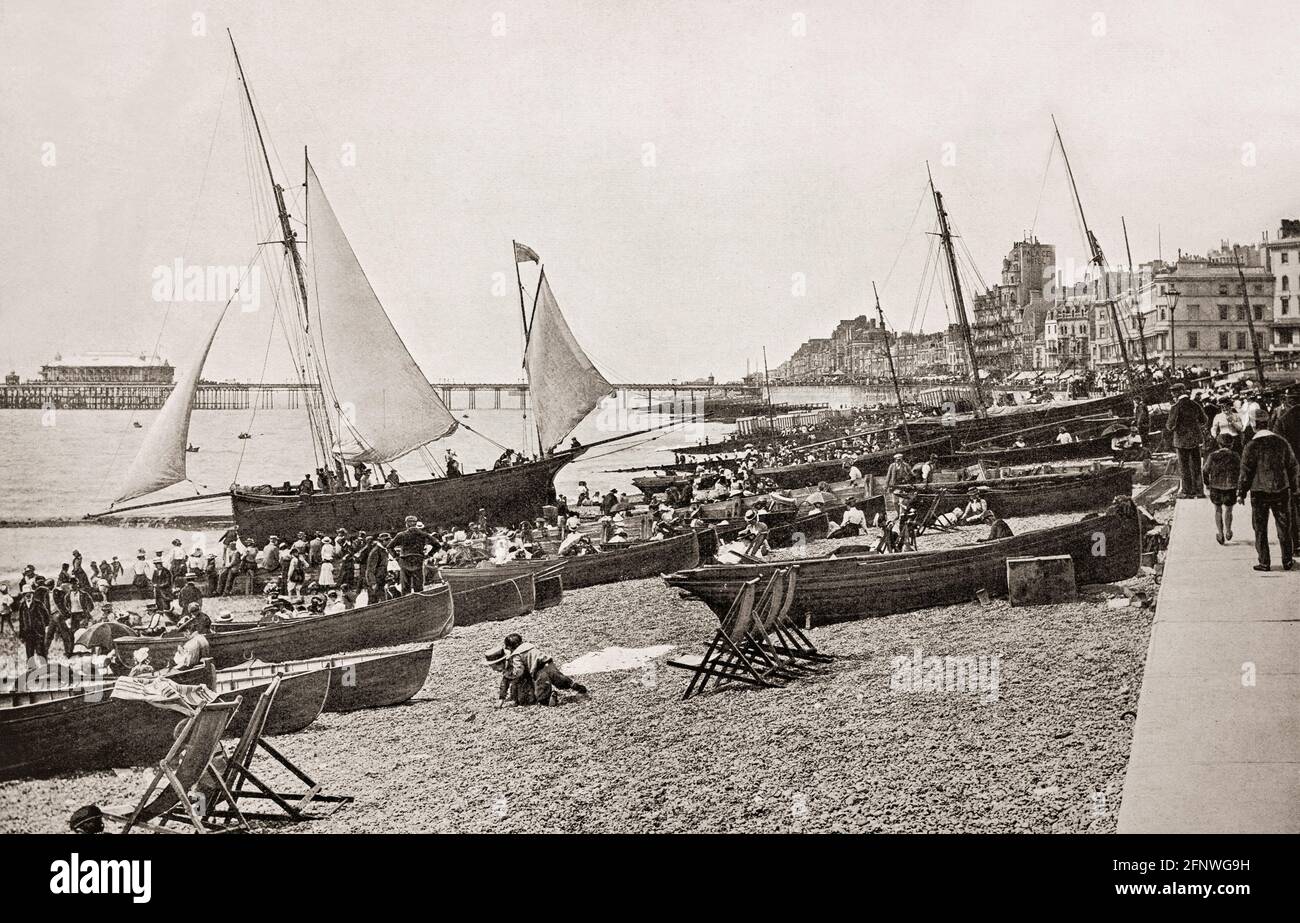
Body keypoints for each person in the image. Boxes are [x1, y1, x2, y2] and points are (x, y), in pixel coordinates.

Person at [1237, 420, 1299, 572]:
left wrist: (1241, 492)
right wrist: (1295, 487)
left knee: (1260, 528)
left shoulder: (1251, 446)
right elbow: (1292, 466)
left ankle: (1264, 563)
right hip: (1281, 490)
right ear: (1268, 425)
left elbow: (1246, 472)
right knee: (1284, 527)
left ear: (1254, 426)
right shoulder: (1282, 443)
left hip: (1259, 492)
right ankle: (1287, 560)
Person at [489, 633, 588, 707]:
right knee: (560, 678)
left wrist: (511, 675)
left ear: (511, 647)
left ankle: (549, 698)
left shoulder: (516, 655)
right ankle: (574, 685)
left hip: (538, 670)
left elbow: (519, 670)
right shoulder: (530, 647)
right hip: (548, 664)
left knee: (541, 691)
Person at [1166, 385, 1208, 498]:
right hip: (1195, 439)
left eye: (1173, 392)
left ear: (1177, 393)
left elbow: (1170, 426)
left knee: (1184, 467)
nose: (1172, 394)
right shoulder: (1195, 404)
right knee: (1196, 465)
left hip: (1181, 440)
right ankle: (1199, 491)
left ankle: (1187, 491)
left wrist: (1178, 428)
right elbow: (1204, 420)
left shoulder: (1176, 407)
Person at [1202, 434, 1242, 545]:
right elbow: (1240, 471)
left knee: (1217, 510)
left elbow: (1205, 471)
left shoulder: (1212, 456)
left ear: (1219, 444)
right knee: (1229, 510)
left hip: (1216, 487)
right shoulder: (1235, 456)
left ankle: (1220, 534)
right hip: (1231, 487)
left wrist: (1207, 484)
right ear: (1232, 444)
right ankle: (1228, 531)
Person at [388, 516, 440, 593]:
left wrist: (396, 557)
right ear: (415, 524)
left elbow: (389, 547)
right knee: (418, 587)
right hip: (418, 560)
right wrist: (429, 555)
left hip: (404, 561)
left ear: (407, 524)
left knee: (405, 588)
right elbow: (437, 545)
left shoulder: (401, 535)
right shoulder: (423, 534)